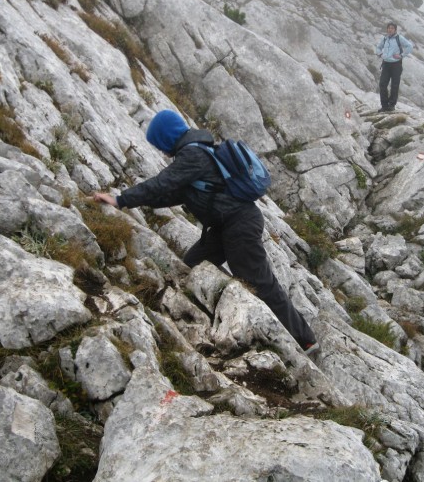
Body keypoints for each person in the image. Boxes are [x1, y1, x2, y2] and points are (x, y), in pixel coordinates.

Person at [92, 110, 318, 354]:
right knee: (191, 266)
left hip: (240, 225)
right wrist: (132, 202)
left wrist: (121, 200)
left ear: (166, 138)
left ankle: (304, 340)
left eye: (159, 144)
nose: (160, 151)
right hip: (225, 227)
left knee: (260, 283)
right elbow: (169, 194)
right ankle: (210, 321)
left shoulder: (193, 155)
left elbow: (161, 183)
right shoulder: (195, 154)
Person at [375, 22, 414, 112]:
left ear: (395, 30)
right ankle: (384, 106)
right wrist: (380, 53)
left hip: (396, 65)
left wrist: (401, 55)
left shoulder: (399, 38)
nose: (390, 29)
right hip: (386, 64)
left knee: (394, 85)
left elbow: (409, 46)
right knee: (382, 84)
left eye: (392, 28)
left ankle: (391, 105)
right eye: (388, 28)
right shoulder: (385, 39)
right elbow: (378, 47)